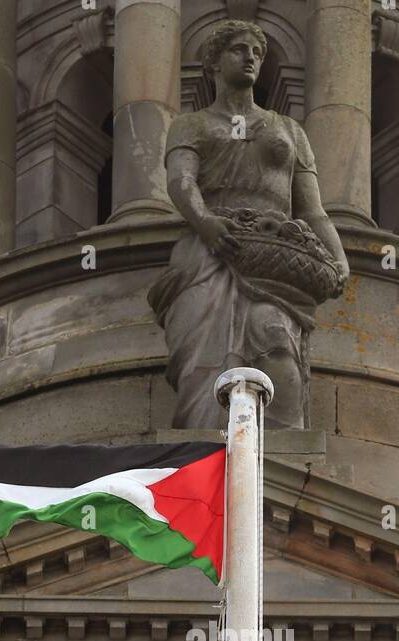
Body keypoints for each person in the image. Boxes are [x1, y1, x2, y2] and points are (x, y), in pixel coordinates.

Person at [147, 20, 350, 428]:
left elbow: (312, 210)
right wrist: (204, 223)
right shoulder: (193, 124)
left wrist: (339, 258)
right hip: (211, 254)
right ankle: (207, 446)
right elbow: (181, 181)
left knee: (274, 333)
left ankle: (279, 457)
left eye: (257, 53)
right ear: (214, 62)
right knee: (201, 362)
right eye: (239, 50)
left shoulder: (289, 130)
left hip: (273, 257)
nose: (250, 58)